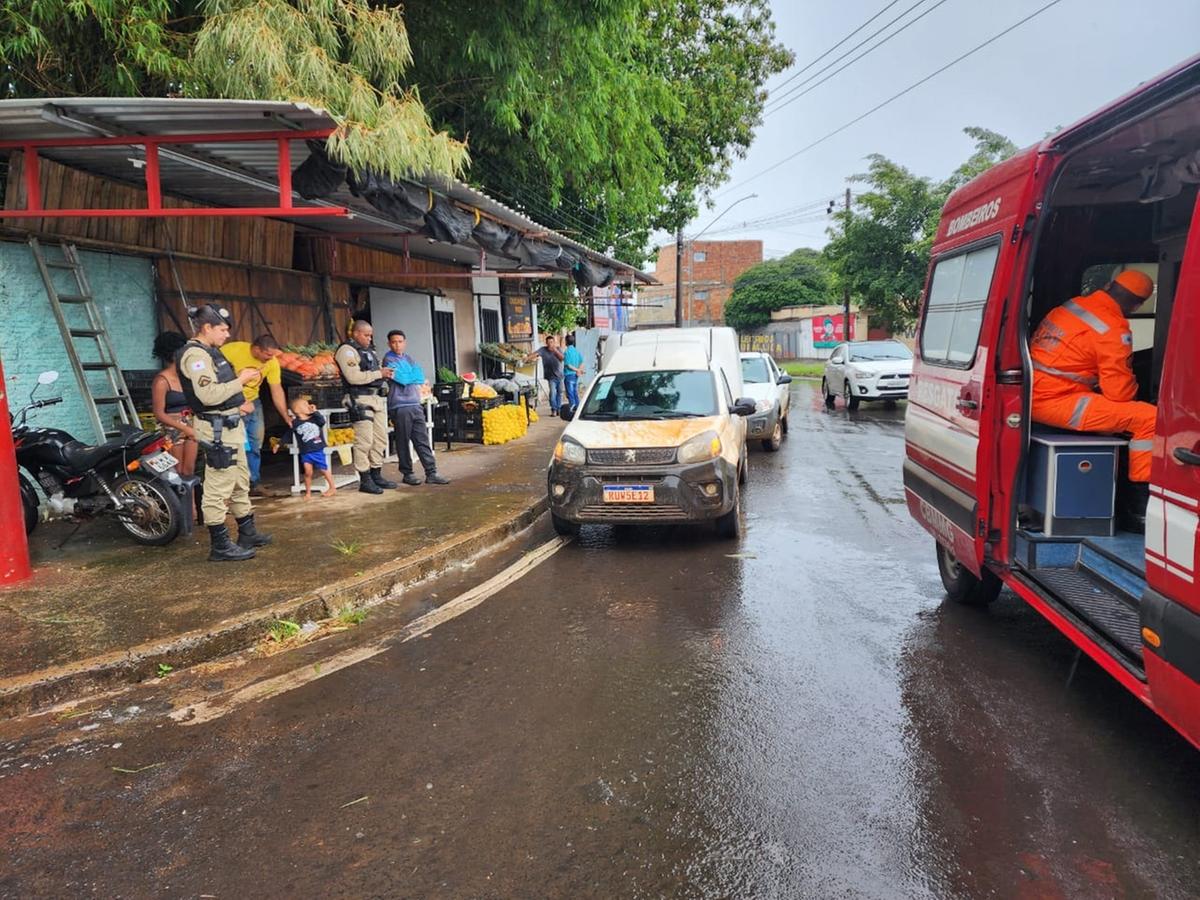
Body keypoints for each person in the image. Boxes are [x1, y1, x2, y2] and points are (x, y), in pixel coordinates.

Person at [1030, 269, 1158, 528]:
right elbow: (1119, 394)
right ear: (1137, 305)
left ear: (1109, 285)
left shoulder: (1072, 306)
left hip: (1034, 393)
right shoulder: (1113, 328)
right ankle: (1140, 507)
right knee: (1149, 418)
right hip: (1058, 400)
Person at [177, 304, 273, 561]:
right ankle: (220, 545)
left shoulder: (212, 352)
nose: (226, 335)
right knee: (218, 488)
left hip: (231, 426)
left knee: (240, 480)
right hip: (216, 430)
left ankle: (247, 531)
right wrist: (240, 381)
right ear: (206, 328)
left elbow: (222, 389)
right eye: (222, 329)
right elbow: (207, 395)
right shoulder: (195, 357)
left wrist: (240, 393)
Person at [221, 334, 291, 491]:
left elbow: (276, 389)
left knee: (254, 443)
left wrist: (285, 415)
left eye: (273, 355)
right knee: (235, 445)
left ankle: (254, 482)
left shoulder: (272, 362)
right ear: (257, 349)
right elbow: (215, 377)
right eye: (267, 354)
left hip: (254, 403)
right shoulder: (232, 350)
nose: (270, 358)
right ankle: (235, 486)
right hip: (231, 404)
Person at [335, 319, 397, 494]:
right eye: (366, 335)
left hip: (376, 398)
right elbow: (353, 377)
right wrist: (379, 373)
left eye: (371, 335)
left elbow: (373, 373)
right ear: (355, 333)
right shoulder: (346, 351)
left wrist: (384, 375)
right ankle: (365, 479)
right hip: (359, 398)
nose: (369, 338)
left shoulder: (370, 351)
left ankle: (376, 474)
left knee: (380, 439)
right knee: (364, 441)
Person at [383, 330, 449, 486]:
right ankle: (407, 473)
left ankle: (431, 472)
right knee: (403, 441)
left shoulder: (408, 358)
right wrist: (409, 375)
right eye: (394, 342)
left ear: (405, 343)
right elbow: (403, 379)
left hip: (414, 403)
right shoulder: (388, 359)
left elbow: (420, 376)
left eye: (400, 341)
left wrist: (409, 376)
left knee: (422, 439)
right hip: (400, 405)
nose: (397, 345)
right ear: (389, 343)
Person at [150, 331, 198, 479]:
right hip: (172, 429)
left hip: (190, 425)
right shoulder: (161, 381)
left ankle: (191, 503)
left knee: (189, 470)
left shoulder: (188, 377)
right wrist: (184, 428)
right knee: (177, 472)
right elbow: (159, 413)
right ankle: (180, 502)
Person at [290, 396, 337, 499]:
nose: (309, 406)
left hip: (317, 449)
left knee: (323, 469)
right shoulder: (295, 423)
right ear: (297, 410)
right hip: (305, 451)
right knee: (308, 472)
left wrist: (315, 411)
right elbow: (289, 433)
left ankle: (332, 487)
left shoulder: (315, 419)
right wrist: (279, 443)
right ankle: (308, 492)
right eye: (305, 405)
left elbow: (322, 422)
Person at [525, 334, 564, 416]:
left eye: (552, 342)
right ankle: (554, 409)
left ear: (554, 342)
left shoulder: (558, 349)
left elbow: (562, 358)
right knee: (552, 393)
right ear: (546, 343)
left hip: (560, 376)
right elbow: (535, 354)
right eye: (548, 342)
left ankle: (559, 409)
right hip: (550, 377)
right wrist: (527, 358)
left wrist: (555, 351)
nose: (550, 344)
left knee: (559, 393)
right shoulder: (543, 350)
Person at [562, 333, 586, 414]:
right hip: (575, 376)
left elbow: (568, 365)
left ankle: (572, 410)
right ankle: (578, 409)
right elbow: (582, 362)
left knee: (570, 393)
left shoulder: (567, 352)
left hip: (569, 375)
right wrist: (579, 370)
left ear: (566, 342)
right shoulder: (576, 351)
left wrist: (577, 370)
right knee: (575, 392)